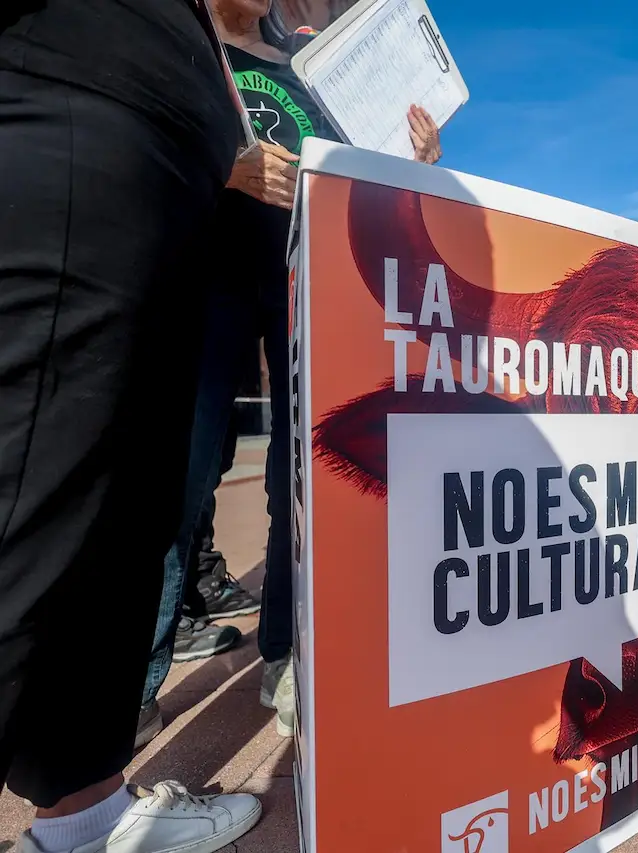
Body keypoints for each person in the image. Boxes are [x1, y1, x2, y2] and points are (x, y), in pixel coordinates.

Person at [1, 2, 268, 852]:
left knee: (119, 517)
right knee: (39, 491)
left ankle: (84, 819)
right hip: (87, 99)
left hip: (164, 168)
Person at [141, 0, 445, 742]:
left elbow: (354, 174)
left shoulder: (313, 57)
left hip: (303, 284)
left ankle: (284, 651)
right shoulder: (179, 37)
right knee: (176, 474)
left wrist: (410, 156)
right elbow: (140, 145)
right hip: (203, 276)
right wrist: (229, 165)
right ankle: (131, 687)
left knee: (298, 477)